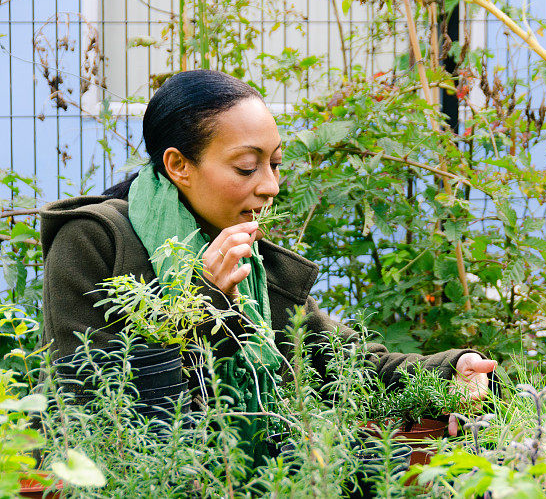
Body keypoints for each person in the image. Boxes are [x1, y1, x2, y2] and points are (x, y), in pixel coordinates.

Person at [38, 69, 496, 455]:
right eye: (246, 167)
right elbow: (93, 401)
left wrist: (451, 369)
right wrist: (204, 302)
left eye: (274, 164)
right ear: (179, 166)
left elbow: (345, 362)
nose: (270, 186)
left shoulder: (242, 253)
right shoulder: (95, 239)